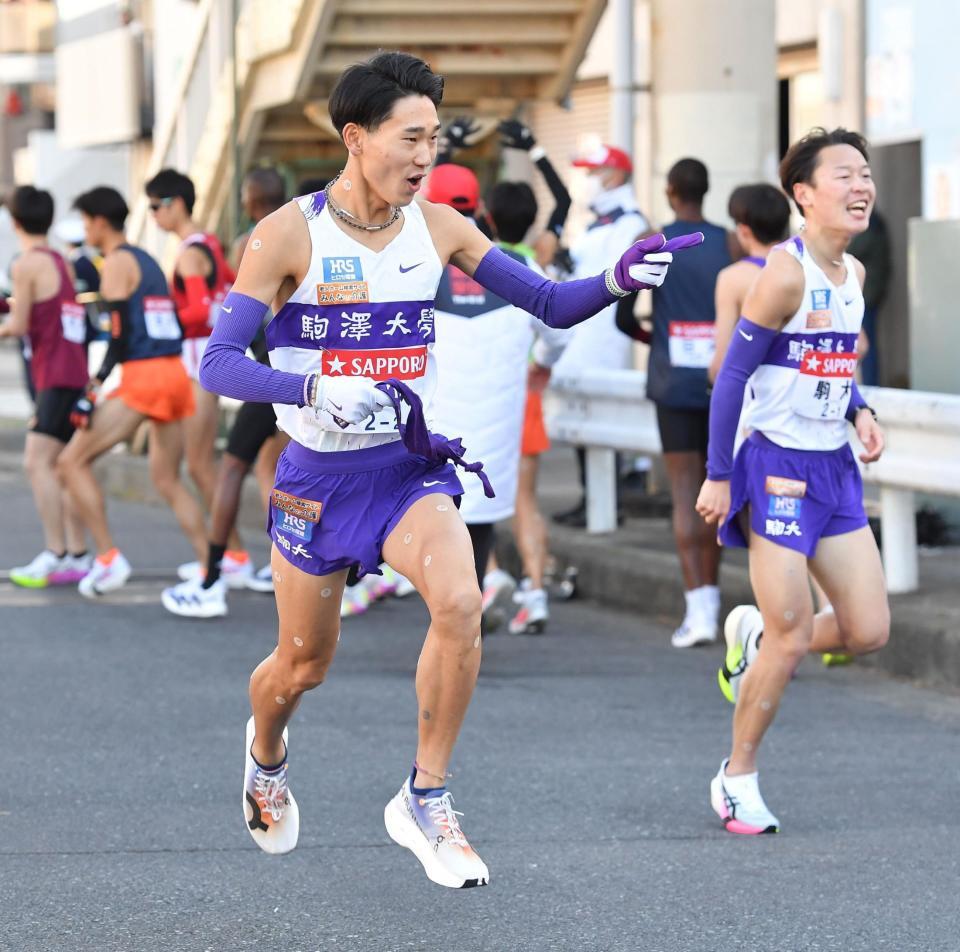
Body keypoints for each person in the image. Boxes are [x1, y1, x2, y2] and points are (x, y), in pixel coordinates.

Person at [196, 51, 698, 886]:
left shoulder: (441, 226)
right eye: (411, 137)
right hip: (317, 480)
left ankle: (425, 795)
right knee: (302, 666)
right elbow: (217, 363)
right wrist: (312, 383)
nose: (426, 156)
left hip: (407, 467)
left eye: (434, 138)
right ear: (357, 139)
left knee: (462, 602)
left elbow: (547, 301)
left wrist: (614, 279)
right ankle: (266, 752)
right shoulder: (287, 232)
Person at [696, 128, 889, 835]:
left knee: (868, 630)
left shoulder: (856, 275)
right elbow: (733, 379)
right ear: (803, 195)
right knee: (791, 632)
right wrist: (720, 476)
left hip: (833, 468)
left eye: (865, 174)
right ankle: (737, 775)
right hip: (774, 466)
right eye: (845, 175)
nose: (861, 186)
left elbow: (836, 361)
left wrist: (861, 410)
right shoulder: (784, 273)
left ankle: (749, 639)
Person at [427, 164, 567, 635]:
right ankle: (473, 598)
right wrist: (542, 361)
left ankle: (449, 605)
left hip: (432, 416)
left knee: (431, 514)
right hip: (497, 410)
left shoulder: (416, 261)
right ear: (479, 209)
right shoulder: (515, 264)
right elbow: (557, 326)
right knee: (481, 512)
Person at [56, 186, 208, 596]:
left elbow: (118, 337)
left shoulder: (116, 264)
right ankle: (210, 569)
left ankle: (107, 558)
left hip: (145, 378)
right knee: (168, 480)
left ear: (100, 221)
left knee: (70, 462)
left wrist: (95, 385)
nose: (85, 229)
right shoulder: (148, 259)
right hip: (174, 375)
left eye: (86, 221)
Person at [161, 168, 291, 616]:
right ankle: (298, 566)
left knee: (230, 467)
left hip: (271, 371)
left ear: (250, 199)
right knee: (282, 466)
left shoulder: (251, 241)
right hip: (310, 369)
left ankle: (215, 577)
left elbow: (234, 311)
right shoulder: (311, 230)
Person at [637, 158, 734, 647]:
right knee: (718, 491)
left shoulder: (656, 240)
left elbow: (620, 314)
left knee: (683, 492)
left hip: (672, 382)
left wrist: (651, 337)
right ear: (706, 191)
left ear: (672, 191)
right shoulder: (729, 242)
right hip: (724, 383)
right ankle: (715, 603)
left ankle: (697, 612)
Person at [552, 143, 651, 527]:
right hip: (580, 334)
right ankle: (591, 497)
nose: (587, 182)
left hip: (603, 337)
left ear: (616, 176)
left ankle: (605, 502)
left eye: (592, 173)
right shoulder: (598, 223)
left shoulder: (629, 223)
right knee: (583, 418)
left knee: (599, 418)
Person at [0, 186, 90, 587]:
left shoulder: (26, 263)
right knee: (61, 466)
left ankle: (56, 553)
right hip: (72, 372)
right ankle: (78, 553)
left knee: (37, 463)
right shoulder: (60, 260)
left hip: (54, 375)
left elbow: (18, 326)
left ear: (14, 222)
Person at [144, 169, 236, 550]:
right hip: (209, 365)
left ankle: (232, 555)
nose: (152, 215)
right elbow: (228, 294)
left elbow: (199, 311)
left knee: (199, 466)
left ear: (175, 205)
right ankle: (229, 555)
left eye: (155, 207)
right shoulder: (211, 245)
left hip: (197, 369)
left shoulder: (190, 254)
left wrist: (158, 321)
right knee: (199, 466)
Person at [846, 208, 891, 386]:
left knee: (865, 344)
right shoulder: (874, 222)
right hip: (870, 294)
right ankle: (870, 384)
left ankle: (871, 385)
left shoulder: (871, 224)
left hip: (867, 295)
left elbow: (854, 248)